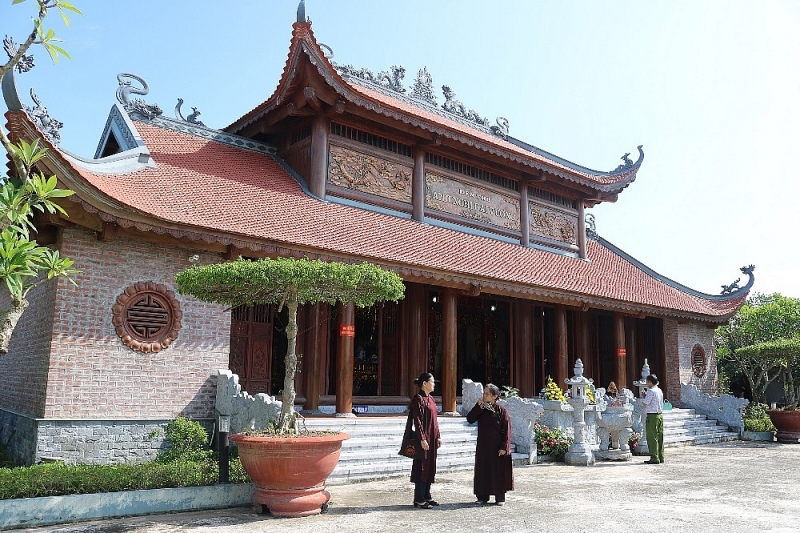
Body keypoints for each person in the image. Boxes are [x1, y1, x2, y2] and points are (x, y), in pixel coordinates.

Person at [466, 383, 514, 506]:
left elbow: (507, 430)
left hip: (497, 447)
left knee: (498, 471)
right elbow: (470, 419)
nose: (484, 396)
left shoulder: (501, 411)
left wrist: (504, 446)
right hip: (483, 446)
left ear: (494, 396)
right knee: (483, 470)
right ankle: (482, 496)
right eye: (484, 393)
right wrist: (478, 407)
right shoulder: (482, 408)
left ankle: (499, 497)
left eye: (487, 394)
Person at [409, 372, 441, 509]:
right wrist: (422, 438)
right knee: (421, 468)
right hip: (423, 439)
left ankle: (427, 495)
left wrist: (438, 436)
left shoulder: (431, 399)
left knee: (430, 467)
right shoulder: (418, 399)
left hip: (432, 438)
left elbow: (435, 420)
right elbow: (417, 421)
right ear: (425, 384)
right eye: (432, 382)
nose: (434, 384)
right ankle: (419, 498)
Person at [640, 374, 664, 464]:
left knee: (652, 437)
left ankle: (654, 457)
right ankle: (661, 456)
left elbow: (646, 403)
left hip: (652, 416)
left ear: (650, 382)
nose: (646, 383)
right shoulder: (659, 390)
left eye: (647, 382)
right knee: (660, 436)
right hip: (660, 415)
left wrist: (643, 396)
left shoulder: (650, 391)